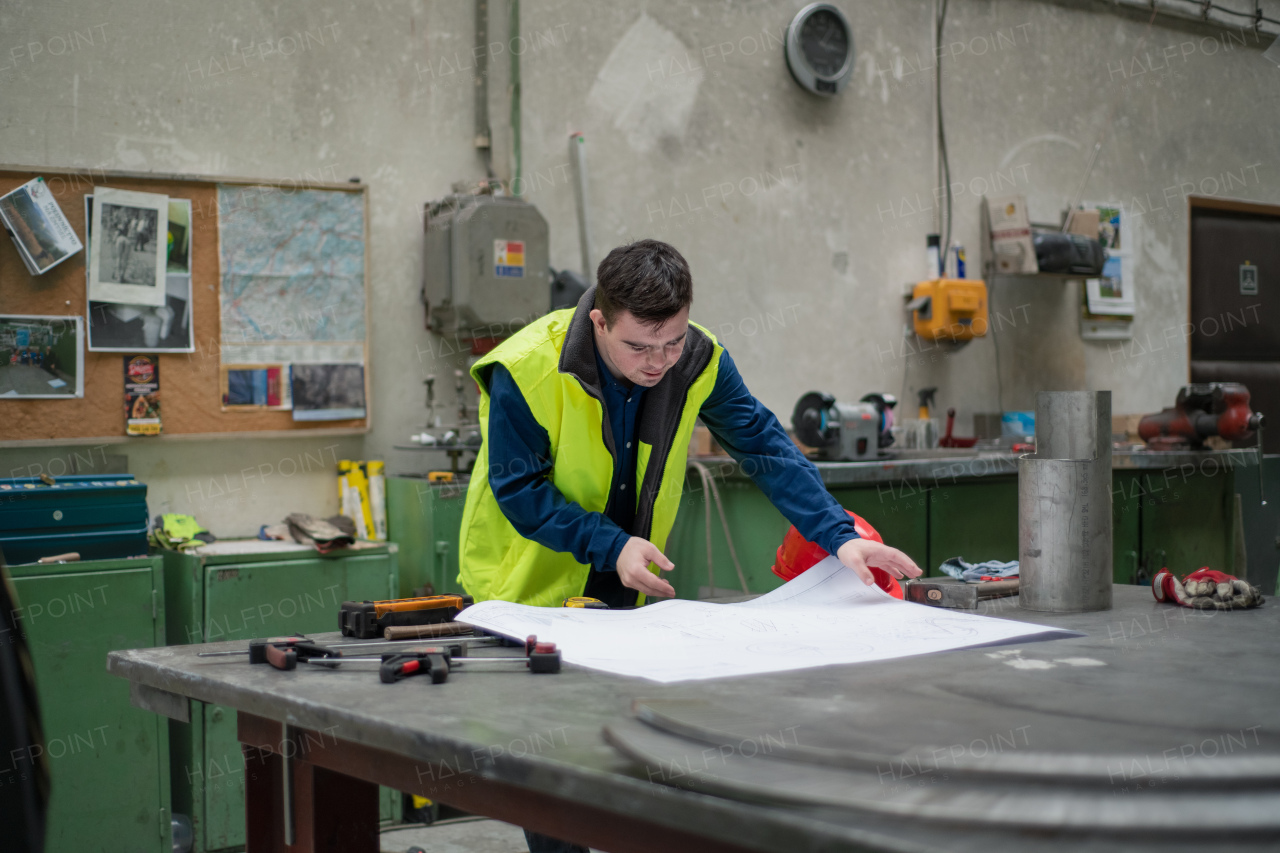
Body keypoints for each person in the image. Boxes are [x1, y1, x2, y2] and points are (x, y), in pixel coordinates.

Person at [459, 241, 921, 852]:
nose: (659, 362)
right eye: (639, 347)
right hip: (525, 592)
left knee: (626, 758)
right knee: (553, 780)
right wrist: (610, 543)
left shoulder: (697, 358)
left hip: (623, 589)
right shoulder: (526, 368)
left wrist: (836, 535)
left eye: (671, 341)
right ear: (599, 320)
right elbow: (519, 491)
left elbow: (762, 444)